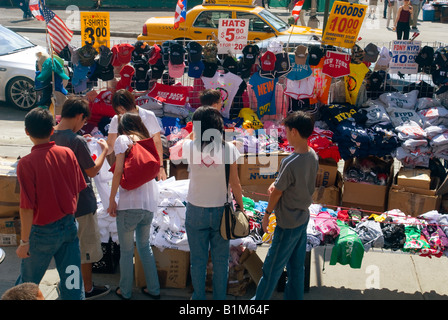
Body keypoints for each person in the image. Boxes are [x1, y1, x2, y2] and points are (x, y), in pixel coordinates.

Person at [15, 108, 86, 300]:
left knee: (26, 286)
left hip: (41, 234)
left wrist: (24, 242)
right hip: (68, 227)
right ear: (52, 129)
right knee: (72, 282)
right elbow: (77, 190)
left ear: (27, 132)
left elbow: (26, 207)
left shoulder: (26, 164)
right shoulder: (67, 154)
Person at [254, 111, 319, 300]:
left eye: (287, 130)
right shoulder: (312, 154)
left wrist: (266, 214)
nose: (285, 134)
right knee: (296, 267)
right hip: (301, 218)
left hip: (287, 222)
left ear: (295, 132)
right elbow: (287, 184)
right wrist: (277, 185)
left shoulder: (290, 162)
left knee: (271, 268)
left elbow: (277, 192)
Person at [50, 97, 111, 300]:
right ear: (79, 116)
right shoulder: (75, 141)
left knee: (67, 251)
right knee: (84, 251)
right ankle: (86, 289)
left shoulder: (50, 135)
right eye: (84, 121)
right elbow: (92, 171)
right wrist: (104, 151)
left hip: (59, 203)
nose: (83, 125)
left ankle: (69, 285)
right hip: (81, 203)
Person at [182, 106, 244, 300]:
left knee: (197, 261)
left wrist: (194, 132)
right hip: (221, 211)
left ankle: (198, 298)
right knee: (220, 261)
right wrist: (241, 208)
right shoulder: (229, 148)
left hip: (196, 209)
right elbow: (235, 183)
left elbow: (185, 142)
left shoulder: (189, 147)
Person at [107, 112, 161, 300]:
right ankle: (154, 289)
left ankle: (125, 291)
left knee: (127, 250)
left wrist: (112, 198)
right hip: (149, 204)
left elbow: (118, 171)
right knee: (145, 247)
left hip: (129, 204)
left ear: (123, 126)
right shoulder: (146, 141)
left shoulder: (123, 139)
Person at [107, 89, 166, 181]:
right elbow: (110, 145)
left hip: (148, 165)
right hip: (128, 168)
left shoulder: (148, 115)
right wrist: (98, 147)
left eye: (123, 109)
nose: (122, 113)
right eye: (119, 111)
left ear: (131, 104)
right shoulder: (117, 119)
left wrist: (161, 166)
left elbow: (157, 142)